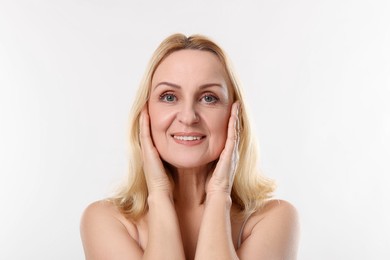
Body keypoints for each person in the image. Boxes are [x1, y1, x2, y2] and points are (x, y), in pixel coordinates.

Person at [80, 33, 299, 260]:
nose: (188, 116)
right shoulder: (105, 221)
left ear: (235, 116)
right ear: (145, 114)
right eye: (169, 97)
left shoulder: (275, 218)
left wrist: (219, 194)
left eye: (208, 98)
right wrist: (158, 192)